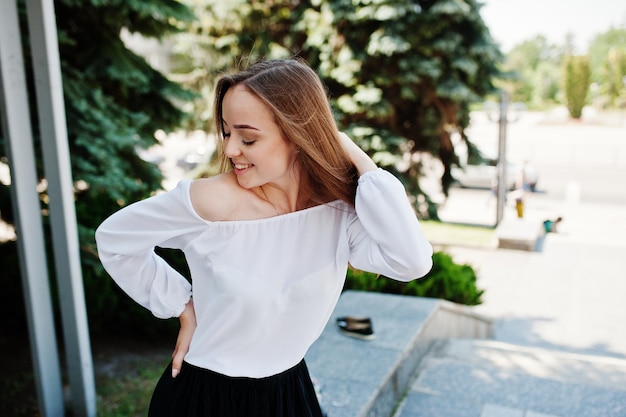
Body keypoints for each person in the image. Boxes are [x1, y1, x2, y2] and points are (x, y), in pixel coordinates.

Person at [95, 58, 433, 417]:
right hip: (206, 400)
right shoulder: (211, 200)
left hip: (290, 394)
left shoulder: (337, 211)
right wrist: (182, 306)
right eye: (227, 132)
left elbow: (410, 261)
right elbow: (116, 238)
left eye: (248, 138)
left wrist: (353, 154)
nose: (229, 150)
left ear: (299, 135)